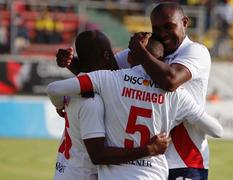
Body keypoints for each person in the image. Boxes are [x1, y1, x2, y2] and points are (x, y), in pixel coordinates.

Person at [56, 2, 214, 179]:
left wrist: (140, 51)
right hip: (150, 163)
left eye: (169, 26)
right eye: (156, 28)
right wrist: (72, 63)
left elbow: (170, 81)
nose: (162, 33)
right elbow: (105, 75)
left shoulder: (195, 51)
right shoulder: (147, 51)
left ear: (185, 22)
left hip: (185, 159)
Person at [50, 30, 170, 180]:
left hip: (65, 168)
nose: (117, 56)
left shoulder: (77, 87)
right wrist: (148, 149)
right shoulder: (92, 100)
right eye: (112, 52)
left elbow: (55, 89)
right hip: (83, 174)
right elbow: (98, 155)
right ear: (107, 54)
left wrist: (59, 103)